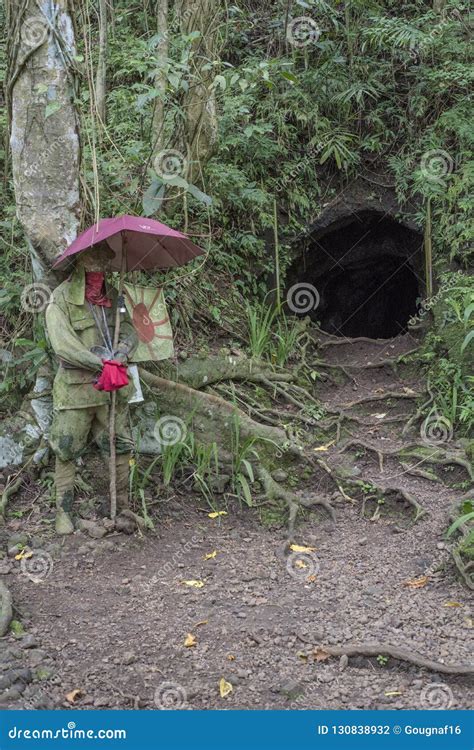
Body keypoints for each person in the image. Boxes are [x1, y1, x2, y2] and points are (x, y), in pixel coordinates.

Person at [45, 246, 138, 535]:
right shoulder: (60, 299)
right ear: (81, 265)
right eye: (94, 266)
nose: (100, 272)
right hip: (76, 389)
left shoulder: (114, 297)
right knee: (67, 446)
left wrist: (122, 351)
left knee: (120, 444)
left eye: (105, 266)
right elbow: (63, 345)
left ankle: (120, 505)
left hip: (113, 388)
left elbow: (130, 330)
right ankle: (63, 511)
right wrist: (100, 362)